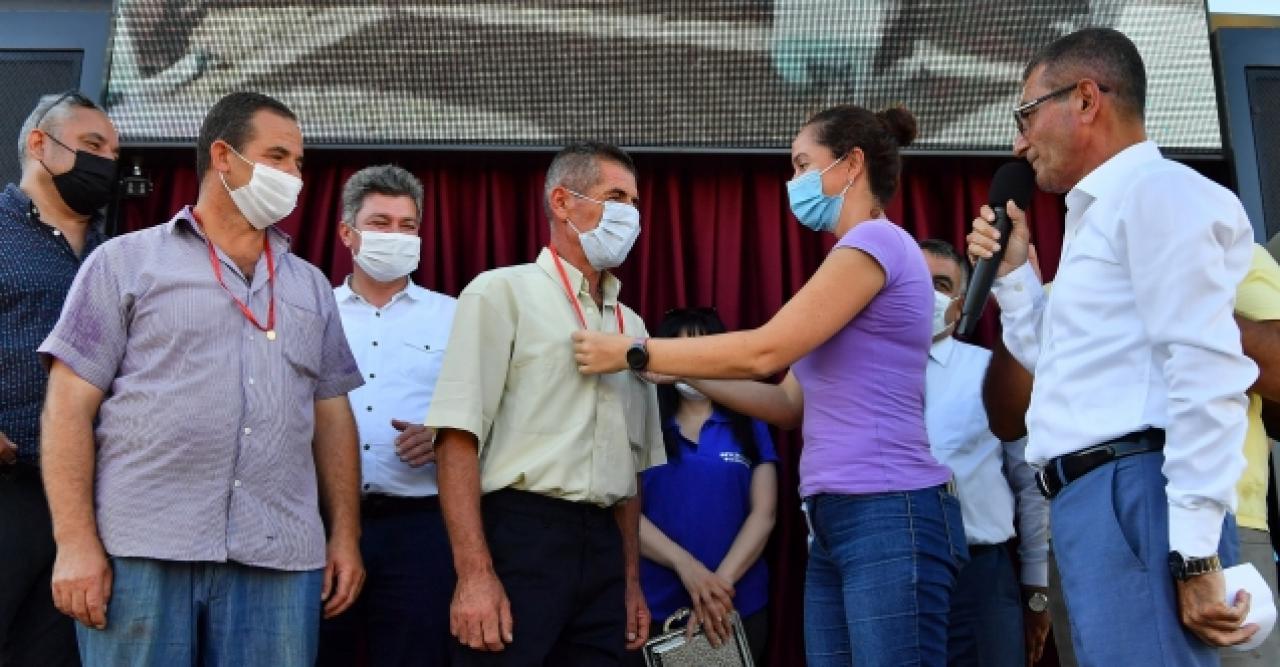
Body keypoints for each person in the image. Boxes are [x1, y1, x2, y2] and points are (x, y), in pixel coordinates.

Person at [573, 104, 967, 666]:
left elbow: (767, 349)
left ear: (851, 164)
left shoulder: (874, 243)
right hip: (838, 517)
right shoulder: (851, 260)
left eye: (803, 164)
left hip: (888, 509)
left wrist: (639, 351)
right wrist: (679, 369)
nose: (793, 182)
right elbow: (785, 403)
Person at [38, 91, 366, 666]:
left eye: (299, 163)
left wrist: (345, 535)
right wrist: (73, 543)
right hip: (142, 552)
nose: (295, 176)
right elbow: (67, 408)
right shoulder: (122, 263)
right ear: (223, 156)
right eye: (279, 156)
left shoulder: (311, 285)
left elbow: (332, 417)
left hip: (280, 557)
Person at [965, 27, 1260, 664]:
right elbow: (1067, 370)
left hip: (1135, 492)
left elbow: (1206, 370)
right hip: (1090, 501)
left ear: (1087, 99)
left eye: (1026, 113)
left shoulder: (1157, 193)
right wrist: (1016, 276)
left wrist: (1195, 549)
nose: (1019, 141)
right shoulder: (1099, 214)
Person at [982, 242, 1280, 667]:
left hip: (1221, 518)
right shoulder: (1061, 287)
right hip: (1080, 525)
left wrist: (1170, 302)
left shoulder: (1226, 249)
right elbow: (1007, 417)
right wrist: (1019, 298)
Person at [424, 141, 665, 665]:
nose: (630, 215)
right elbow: (456, 438)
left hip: (603, 546)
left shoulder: (634, 328)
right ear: (561, 202)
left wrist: (629, 582)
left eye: (635, 202)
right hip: (521, 537)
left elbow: (632, 472)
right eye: (615, 196)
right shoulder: (499, 293)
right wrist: (474, 574)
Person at [318, 164, 458, 666]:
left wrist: (446, 435)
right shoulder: (314, 311)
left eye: (408, 226)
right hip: (320, 525)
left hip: (420, 528)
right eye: (380, 223)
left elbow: (490, 412)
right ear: (347, 233)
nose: (396, 236)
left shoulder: (454, 315)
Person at [0, 91, 118, 667]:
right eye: (93, 145)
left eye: (114, 153)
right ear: (40, 144)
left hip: (90, 507)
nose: (107, 162)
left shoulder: (118, 256)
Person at [919, 239, 1050, 667]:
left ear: (961, 302)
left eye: (941, 284)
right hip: (889, 573)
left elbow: (1031, 483)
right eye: (915, 281)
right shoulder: (858, 372)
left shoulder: (990, 372)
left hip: (978, 579)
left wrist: (1036, 585)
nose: (927, 295)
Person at [624, 307, 778, 666]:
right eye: (679, 353)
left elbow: (764, 513)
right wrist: (688, 569)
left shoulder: (749, 423)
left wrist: (717, 589)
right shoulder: (642, 424)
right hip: (654, 604)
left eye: (701, 351)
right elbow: (626, 510)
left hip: (737, 604)